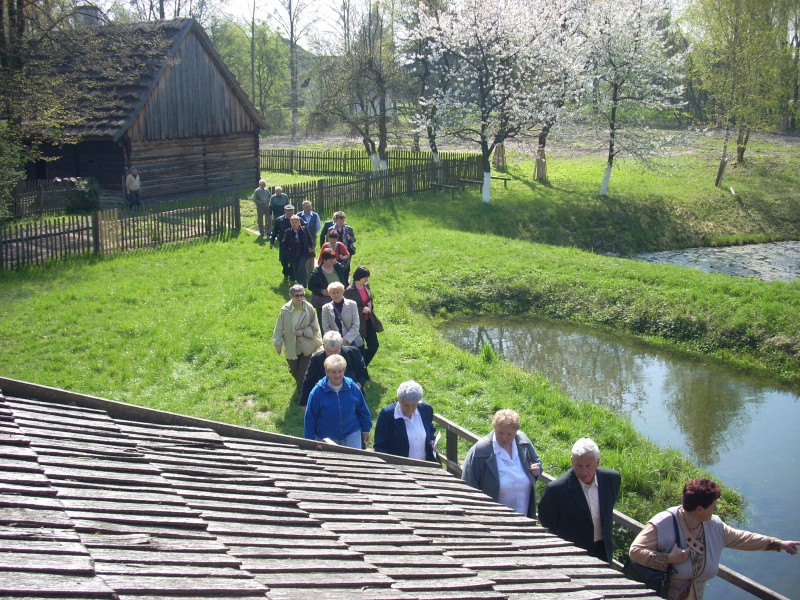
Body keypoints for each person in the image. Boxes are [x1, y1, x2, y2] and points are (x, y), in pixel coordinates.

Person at [628, 478, 799, 600]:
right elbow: (635, 551)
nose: (716, 508)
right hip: (660, 595)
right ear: (700, 509)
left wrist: (779, 544)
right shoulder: (663, 522)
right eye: (713, 505)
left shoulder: (713, 525)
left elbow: (743, 538)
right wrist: (669, 559)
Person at [537, 437, 621, 563]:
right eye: (579, 466)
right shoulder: (557, 489)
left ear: (597, 462)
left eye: (588, 466)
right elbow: (547, 520)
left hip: (603, 550)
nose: (584, 471)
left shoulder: (611, 480)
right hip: (572, 553)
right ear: (572, 462)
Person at [462, 409, 542, 518]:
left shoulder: (523, 442)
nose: (504, 438)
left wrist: (537, 469)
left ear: (516, 432)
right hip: (494, 520)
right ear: (494, 427)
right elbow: (468, 485)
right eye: (500, 433)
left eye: (509, 434)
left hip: (524, 516)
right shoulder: (480, 451)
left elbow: (537, 462)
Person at [304, 354, 371, 449]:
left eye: (340, 371)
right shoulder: (317, 392)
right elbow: (310, 417)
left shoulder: (353, 388)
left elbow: (362, 409)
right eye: (333, 372)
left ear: (344, 371)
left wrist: (366, 429)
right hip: (327, 437)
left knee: (354, 461)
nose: (337, 375)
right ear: (327, 373)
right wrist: (309, 440)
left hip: (351, 432)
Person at [272, 284, 322, 395]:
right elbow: (279, 328)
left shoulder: (309, 308)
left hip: (305, 345)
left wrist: (303, 332)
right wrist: (278, 344)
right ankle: (303, 380)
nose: (300, 298)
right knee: (294, 370)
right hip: (291, 346)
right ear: (291, 296)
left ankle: (302, 395)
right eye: (297, 295)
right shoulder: (285, 310)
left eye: (302, 295)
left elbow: (315, 328)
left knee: (303, 370)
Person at [299, 331, 368, 410]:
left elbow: (362, 372)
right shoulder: (317, 359)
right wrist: (304, 402)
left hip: (353, 397)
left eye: (336, 351)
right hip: (327, 400)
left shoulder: (352, 353)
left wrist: (356, 387)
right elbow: (309, 381)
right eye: (329, 351)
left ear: (341, 346)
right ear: (324, 348)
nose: (333, 355)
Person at [374, 380, 437, 462]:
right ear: (399, 401)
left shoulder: (426, 409)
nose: (410, 409)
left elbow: (430, 429)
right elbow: (380, 446)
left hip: (425, 466)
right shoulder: (387, 415)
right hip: (399, 469)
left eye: (414, 405)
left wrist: (433, 441)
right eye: (406, 405)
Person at [344, 265, 382, 366]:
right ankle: (360, 370)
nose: (367, 279)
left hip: (368, 320)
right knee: (359, 347)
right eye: (365, 277)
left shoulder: (366, 286)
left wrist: (370, 304)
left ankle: (362, 365)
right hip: (357, 323)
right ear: (360, 277)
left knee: (374, 346)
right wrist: (361, 310)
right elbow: (347, 308)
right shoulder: (349, 291)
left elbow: (370, 298)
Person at [307, 249, 349, 320]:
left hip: (340, 298)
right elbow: (310, 286)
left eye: (334, 259)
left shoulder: (339, 267)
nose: (333, 261)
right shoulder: (317, 273)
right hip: (325, 301)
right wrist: (321, 291)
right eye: (330, 259)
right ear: (324, 260)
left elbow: (345, 280)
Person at [321, 281, 361, 348]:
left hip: (351, 342)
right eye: (333, 293)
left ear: (342, 292)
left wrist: (345, 340)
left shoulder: (352, 304)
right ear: (330, 294)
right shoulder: (325, 308)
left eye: (338, 292)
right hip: (334, 344)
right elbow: (326, 327)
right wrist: (336, 341)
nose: (336, 295)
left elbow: (356, 325)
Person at [270, 204, 302, 282]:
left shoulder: (297, 219)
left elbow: (303, 228)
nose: (290, 212)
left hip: (294, 244)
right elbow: (274, 231)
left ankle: (292, 275)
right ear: (285, 211)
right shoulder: (279, 220)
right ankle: (286, 273)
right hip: (283, 244)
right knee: (283, 260)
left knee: (292, 260)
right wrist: (272, 242)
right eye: (288, 211)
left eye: (291, 211)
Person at [282, 214, 312, 286]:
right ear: (290, 223)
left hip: (303, 252)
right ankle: (299, 284)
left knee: (301, 266)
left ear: (299, 222)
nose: (294, 224)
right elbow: (284, 243)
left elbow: (309, 239)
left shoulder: (304, 229)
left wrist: (310, 247)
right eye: (292, 222)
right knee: (296, 269)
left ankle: (302, 284)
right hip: (293, 253)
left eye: (295, 222)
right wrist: (287, 251)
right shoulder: (288, 231)